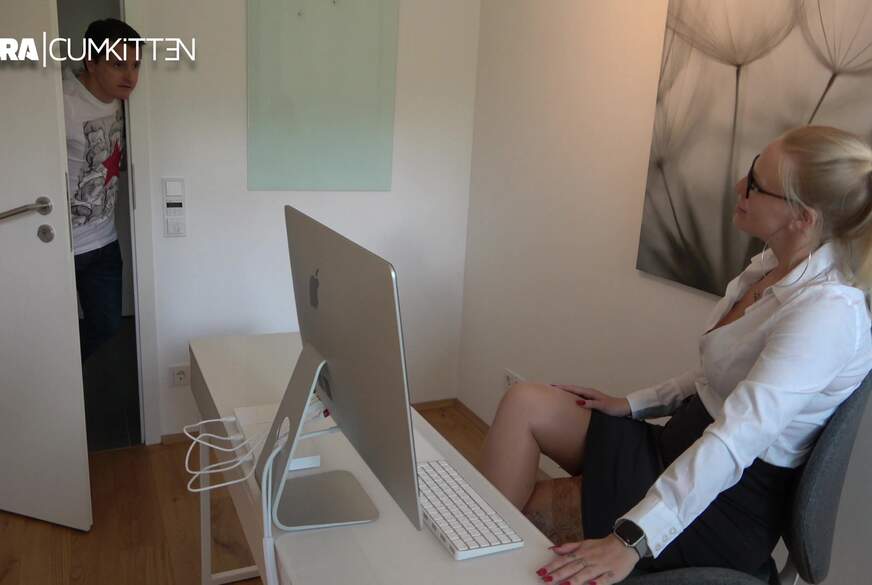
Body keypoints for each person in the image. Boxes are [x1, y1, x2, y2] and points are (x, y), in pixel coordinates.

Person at [479, 126, 872, 585]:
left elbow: (735, 442)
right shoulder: (772, 266)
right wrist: (633, 404)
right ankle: (480, 549)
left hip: (722, 503)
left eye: (755, 183)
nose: (738, 186)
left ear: (801, 217)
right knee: (525, 400)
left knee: (526, 517)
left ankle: (481, 562)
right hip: (676, 447)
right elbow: (719, 372)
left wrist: (633, 538)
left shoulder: (826, 315)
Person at [64, 18, 141, 361]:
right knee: (49, 325)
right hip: (61, 245)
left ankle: (67, 368)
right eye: (117, 64)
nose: (130, 76)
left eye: (135, 65)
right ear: (91, 63)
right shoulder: (62, 102)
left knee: (108, 324)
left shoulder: (128, 102)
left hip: (104, 239)